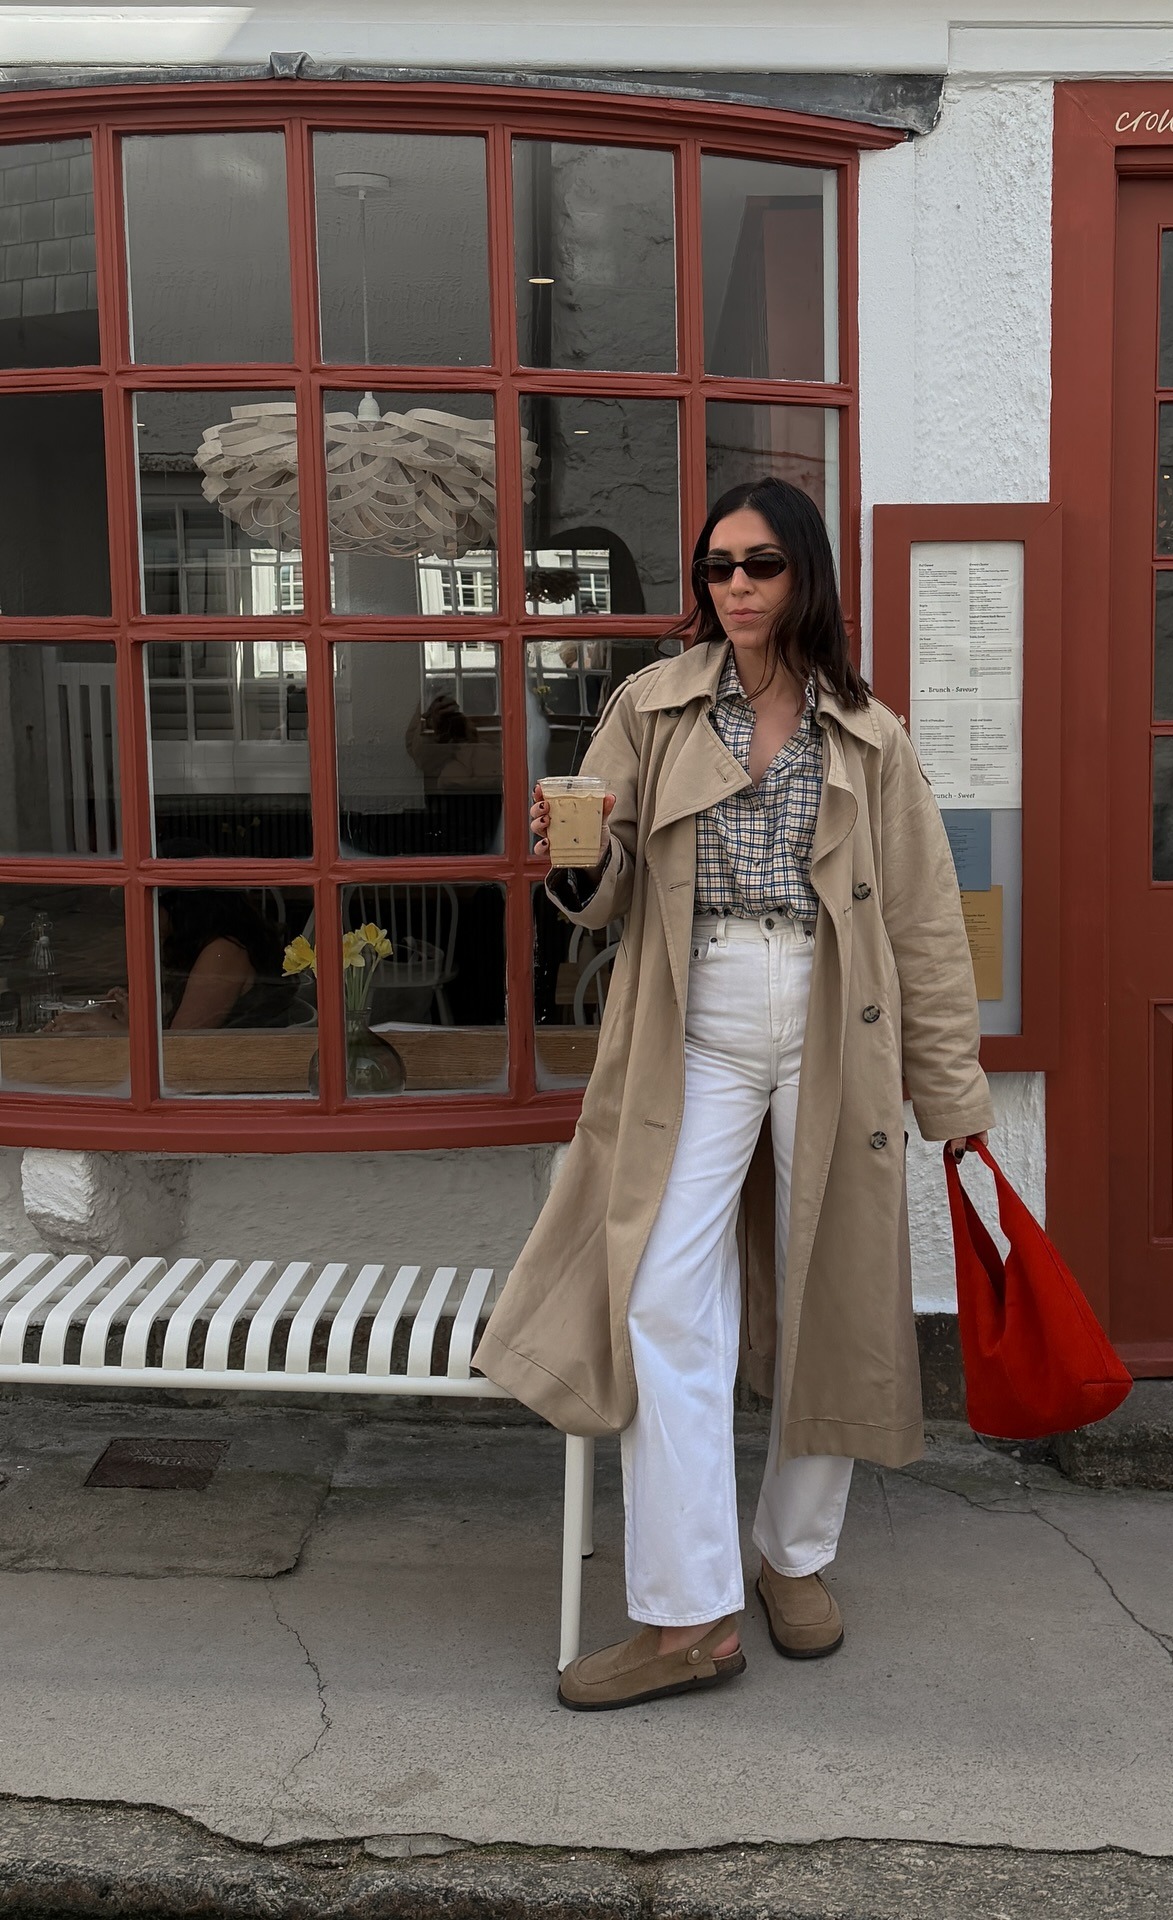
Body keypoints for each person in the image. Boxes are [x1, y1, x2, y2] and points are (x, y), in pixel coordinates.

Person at [476, 476, 993, 1711]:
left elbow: (924, 924)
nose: (738, 587)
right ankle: (687, 1608)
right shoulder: (650, 708)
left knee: (842, 1292)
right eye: (717, 568)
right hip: (695, 1008)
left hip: (833, 1009)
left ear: (803, 574)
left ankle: (793, 1559)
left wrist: (956, 1099)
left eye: (760, 565)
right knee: (661, 1293)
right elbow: (590, 896)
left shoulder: (870, 732)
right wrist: (572, 856)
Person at [46, 887, 300, 1033]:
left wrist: (97, 1024)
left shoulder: (224, 952)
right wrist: (131, 1022)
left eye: (149, 904)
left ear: (181, 907)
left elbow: (177, 1049)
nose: (138, 916)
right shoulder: (207, 948)